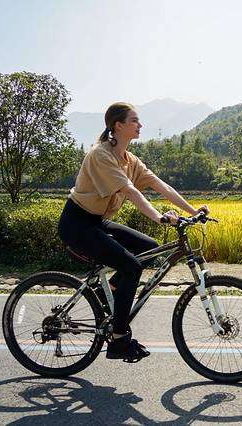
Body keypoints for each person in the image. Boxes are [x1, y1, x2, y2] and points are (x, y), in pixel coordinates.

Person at [58, 102, 209, 361]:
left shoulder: (129, 160)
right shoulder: (101, 155)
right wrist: (159, 217)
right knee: (131, 267)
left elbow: (161, 185)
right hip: (77, 224)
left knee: (150, 248)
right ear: (118, 125)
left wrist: (193, 210)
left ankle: (109, 291)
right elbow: (129, 191)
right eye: (134, 121)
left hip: (97, 221)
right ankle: (118, 339)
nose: (140, 125)